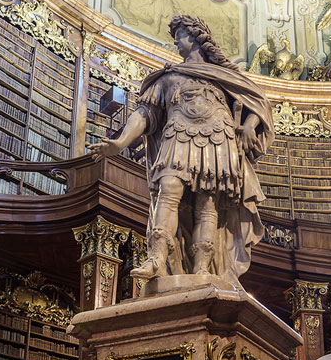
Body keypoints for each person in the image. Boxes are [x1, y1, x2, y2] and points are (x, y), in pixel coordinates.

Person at [87, 15, 273, 291]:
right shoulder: (168, 76)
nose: (176, 40)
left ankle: (202, 267)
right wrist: (120, 142)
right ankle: (156, 258)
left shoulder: (223, 77)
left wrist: (248, 125)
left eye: (181, 33)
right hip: (178, 135)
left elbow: (257, 102)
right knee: (169, 189)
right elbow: (145, 113)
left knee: (207, 204)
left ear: (197, 37)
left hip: (218, 139)